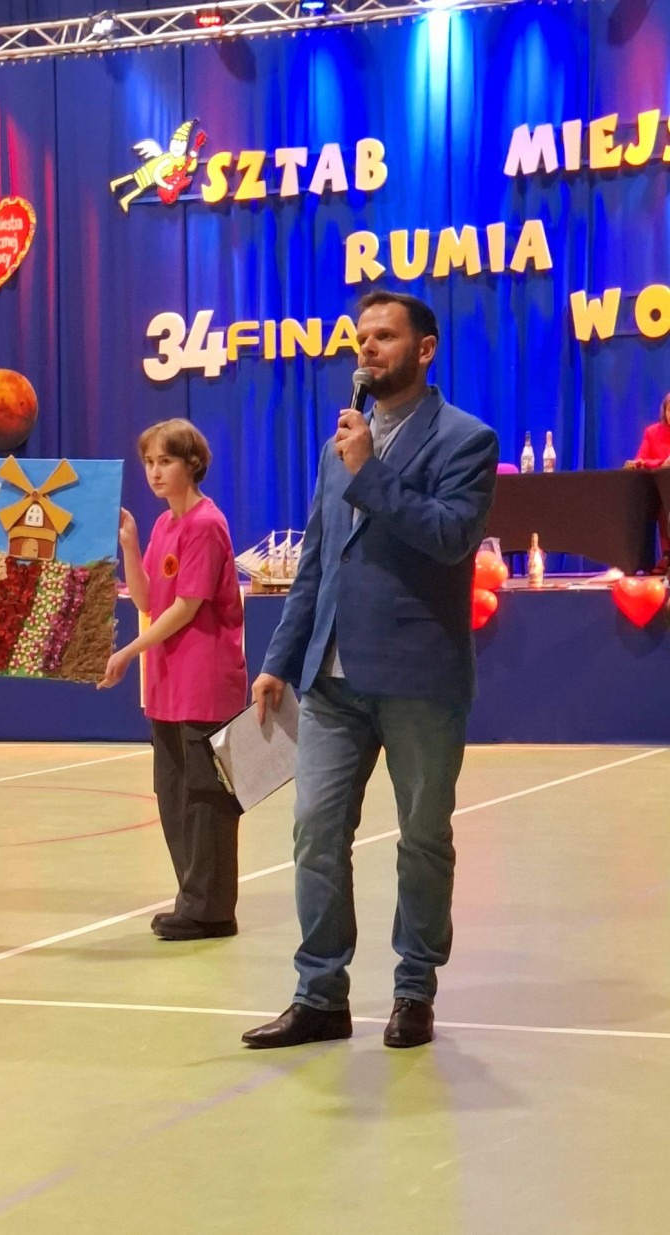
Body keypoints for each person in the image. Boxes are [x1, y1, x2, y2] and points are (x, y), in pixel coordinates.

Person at [242, 291, 498, 1050]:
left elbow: (451, 537)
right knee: (315, 832)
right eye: (361, 336)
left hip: (420, 678)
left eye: (385, 335)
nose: (368, 347)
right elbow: (317, 562)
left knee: (422, 840)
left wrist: (369, 472)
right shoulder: (339, 446)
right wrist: (280, 660)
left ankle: (414, 989)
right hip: (331, 681)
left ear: (425, 349)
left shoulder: (466, 440)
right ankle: (320, 994)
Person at [99, 419, 247, 940]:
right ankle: (194, 899)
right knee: (174, 793)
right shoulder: (164, 524)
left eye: (165, 461)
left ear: (192, 464)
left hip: (204, 681)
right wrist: (130, 546)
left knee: (206, 796)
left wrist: (127, 652)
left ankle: (211, 910)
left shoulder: (206, 524)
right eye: (149, 462)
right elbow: (146, 600)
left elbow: (186, 607)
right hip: (166, 683)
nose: (155, 472)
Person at [627, 393, 670, 570]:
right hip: (659, 490)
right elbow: (639, 461)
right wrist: (663, 463)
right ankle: (666, 556)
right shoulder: (652, 432)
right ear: (664, 411)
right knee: (662, 503)